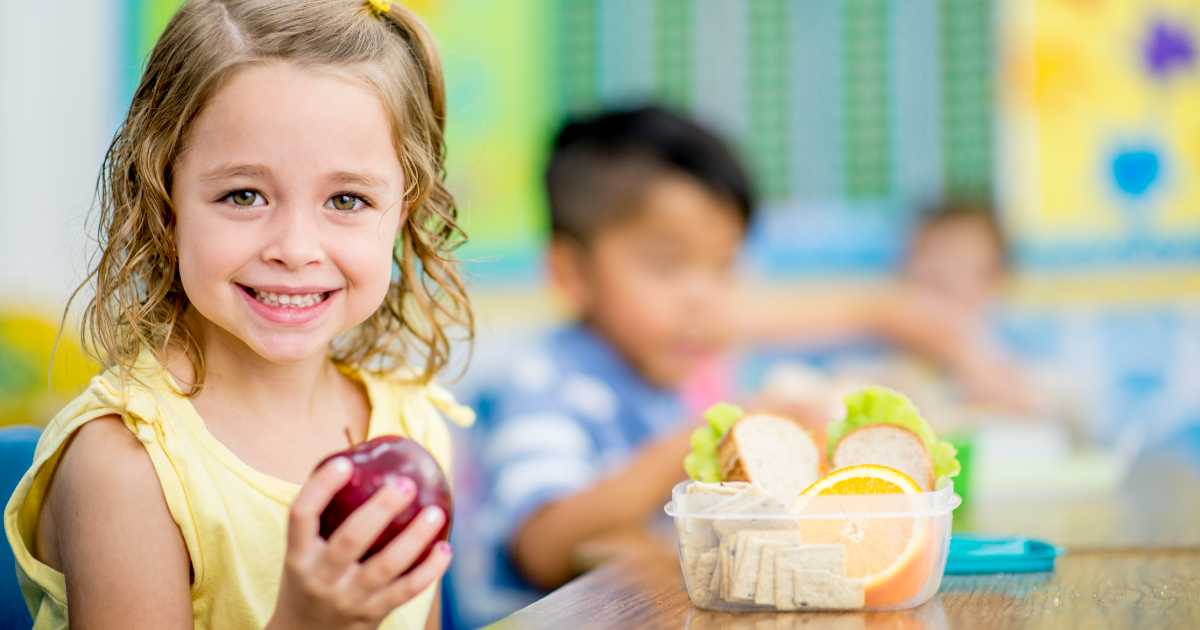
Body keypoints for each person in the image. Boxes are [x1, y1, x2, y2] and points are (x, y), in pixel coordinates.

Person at [449, 107, 1022, 627]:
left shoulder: (661, 373)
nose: (705, 298)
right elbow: (542, 545)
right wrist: (701, 435)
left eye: (723, 267)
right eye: (667, 266)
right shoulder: (543, 383)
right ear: (572, 273)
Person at [4, 1, 474, 629]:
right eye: (244, 195)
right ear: (163, 200)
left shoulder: (415, 427)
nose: (296, 248)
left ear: (405, 212)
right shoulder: (127, 467)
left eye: (347, 198)